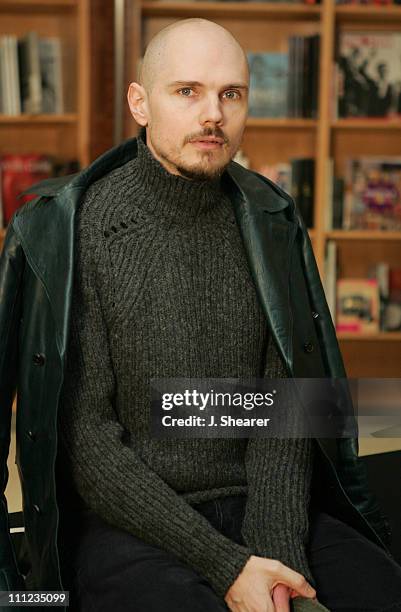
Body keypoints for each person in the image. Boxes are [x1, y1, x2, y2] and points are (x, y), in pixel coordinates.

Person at [1, 16, 401, 612]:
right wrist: (228, 565)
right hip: (129, 520)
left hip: (262, 503)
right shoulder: (77, 231)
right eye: (186, 91)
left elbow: (285, 407)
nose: (212, 113)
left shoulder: (270, 220)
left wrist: (275, 557)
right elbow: (90, 445)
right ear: (140, 103)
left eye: (230, 94)